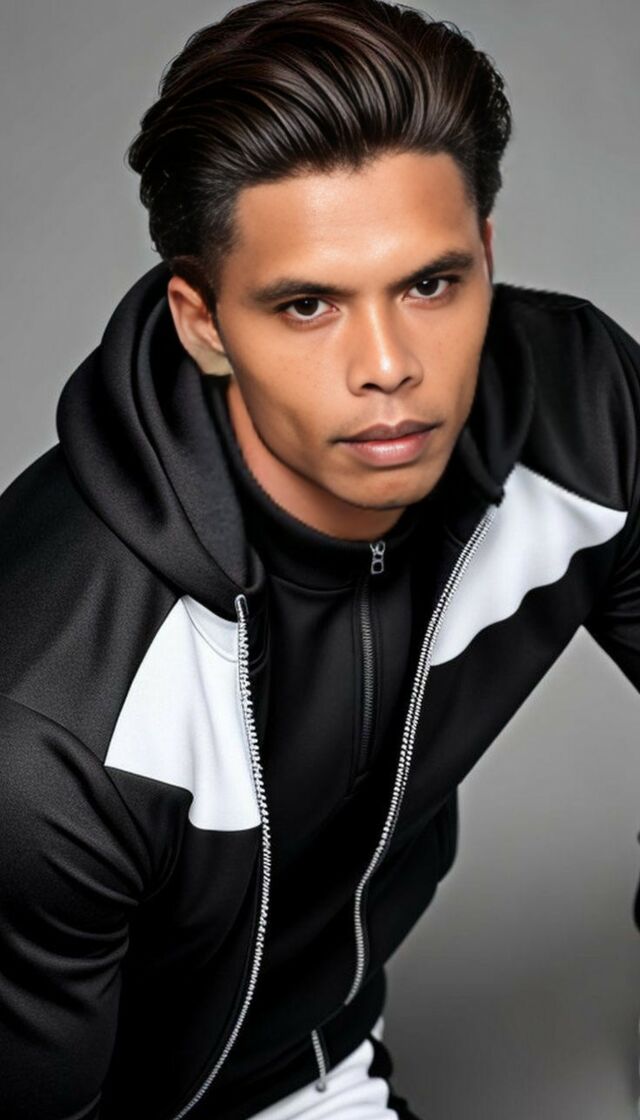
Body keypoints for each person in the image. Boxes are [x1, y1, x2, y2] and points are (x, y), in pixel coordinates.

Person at [1, 0, 639, 1116]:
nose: (388, 364)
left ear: (487, 256)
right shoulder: (54, 716)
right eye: (307, 304)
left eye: (430, 284)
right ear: (202, 321)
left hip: (311, 1069)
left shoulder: (582, 417)